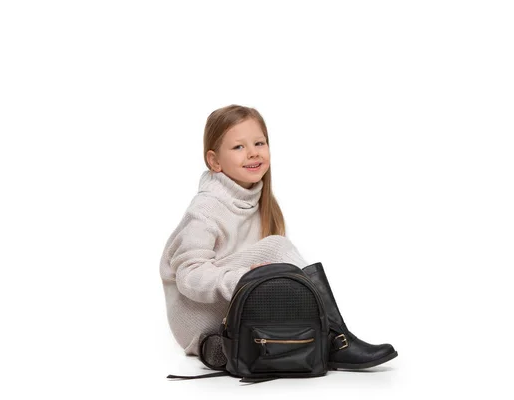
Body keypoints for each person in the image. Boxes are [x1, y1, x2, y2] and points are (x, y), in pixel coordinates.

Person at [159, 104, 397, 369]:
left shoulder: (262, 203)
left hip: (237, 306)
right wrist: (245, 278)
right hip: (196, 312)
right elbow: (188, 276)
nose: (252, 153)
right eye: (238, 147)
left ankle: (231, 346)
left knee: (281, 278)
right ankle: (335, 338)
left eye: (259, 143)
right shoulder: (206, 208)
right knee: (277, 248)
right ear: (215, 161)